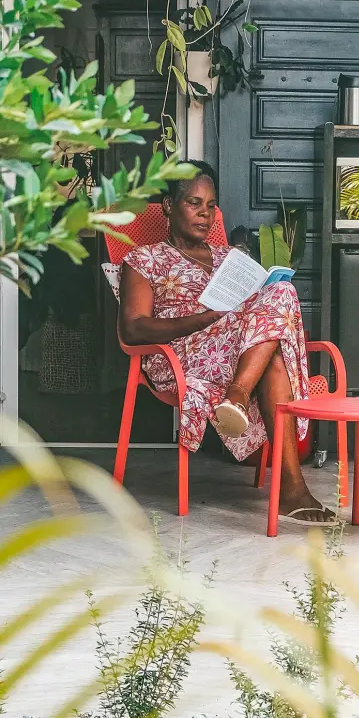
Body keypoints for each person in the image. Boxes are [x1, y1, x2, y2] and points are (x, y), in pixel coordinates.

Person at [118, 160, 334, 524]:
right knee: (273, 345)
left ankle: (240, 399)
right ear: (169, 206)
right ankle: (291, 485)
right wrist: (202, 319)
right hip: (180, 355)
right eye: (194, 203)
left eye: (210, 205)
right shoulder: (144, 259)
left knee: (278, 296)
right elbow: (132, 329)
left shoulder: (229, 259)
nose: (205, 214)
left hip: (239, 348)